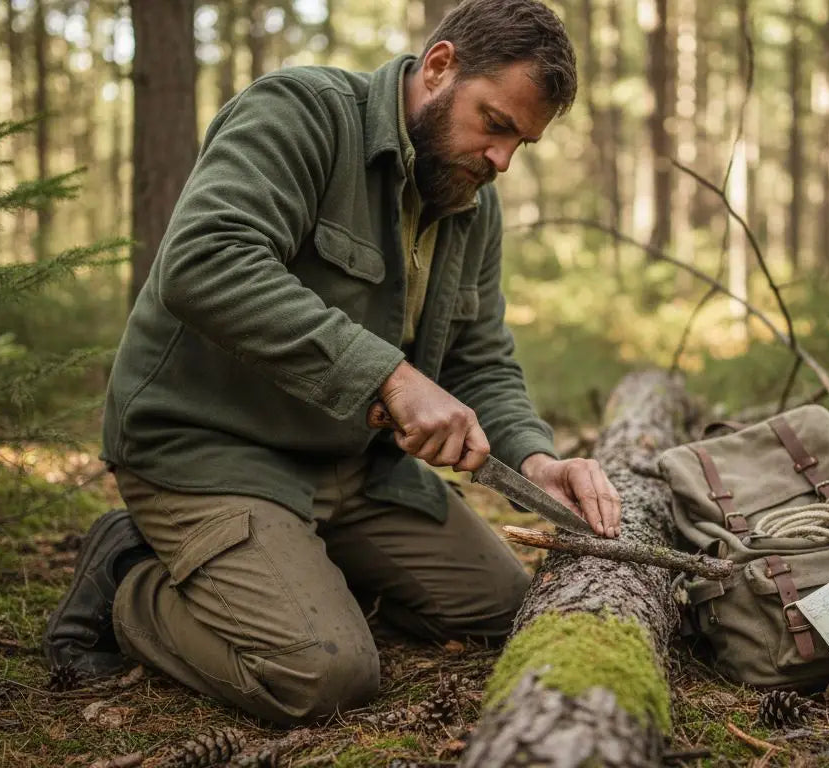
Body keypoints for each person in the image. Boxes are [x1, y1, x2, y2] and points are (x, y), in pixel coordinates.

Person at [42, 0, 622, 726]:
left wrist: (536, 460)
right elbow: (205, 261)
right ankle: (128, 576)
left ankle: (293, 569)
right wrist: (390, 377)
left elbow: (479, 359)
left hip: (351, 466)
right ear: (440, 67)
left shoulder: (470, 200)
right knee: (321, 675)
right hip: (210, 452)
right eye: (495, 124)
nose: (502, 160)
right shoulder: (301, 114)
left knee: (506, 606)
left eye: (521, 144)